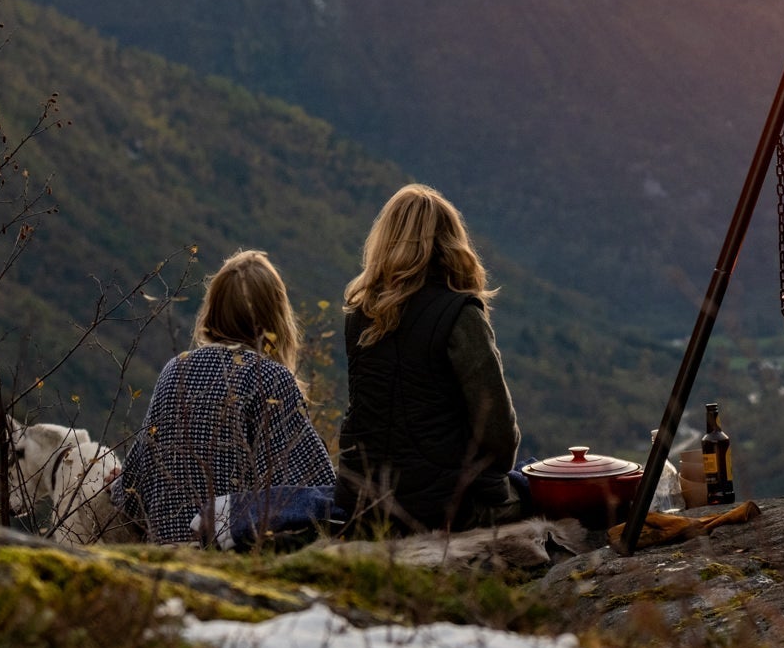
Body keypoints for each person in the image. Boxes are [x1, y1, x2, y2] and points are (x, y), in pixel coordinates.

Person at [335, 183, 524, 533]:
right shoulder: (460, 313)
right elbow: (498, 431)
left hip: (364, 502)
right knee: (535, 487)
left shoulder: (360, 314)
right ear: (450, 242)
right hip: (445, 506)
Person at [112, 250, 335, 544]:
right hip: (230, 554)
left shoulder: (175, 369)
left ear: (213, 308)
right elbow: (315, 489)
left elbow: (133, 491)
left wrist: (116, 482)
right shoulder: (269, 378)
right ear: (276, 316)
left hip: (164, 555)